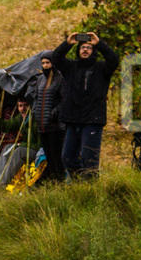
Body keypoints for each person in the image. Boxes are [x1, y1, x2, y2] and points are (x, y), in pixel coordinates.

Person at [50, 31, 119, 179]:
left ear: (93, 51)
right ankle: (79, 184)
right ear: (78, 50)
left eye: (89, 47)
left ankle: (90, 186)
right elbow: (56, 58)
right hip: (73, 119)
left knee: (89, 160)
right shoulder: (70, 67)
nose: (85, 50)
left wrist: (99, 43)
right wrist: (67, 43)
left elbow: (114, 60)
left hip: (93, 119)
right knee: (67, 157)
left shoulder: (102, 68)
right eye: (82, 47)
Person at [28, 51, 65, 182]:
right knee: (48, 156)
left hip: (56, 126)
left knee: (57, 156)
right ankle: (52, 182)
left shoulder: (60, 79)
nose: (45, 65)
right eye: (43, 63)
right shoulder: (40, 80)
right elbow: (36, 98)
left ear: (53, 63)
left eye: (47, 62)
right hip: (42, 125)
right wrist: (35, 112)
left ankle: (60, 181)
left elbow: (65, 100)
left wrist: (55, 112)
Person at [0, 98, 39, 186]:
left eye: (25, 105)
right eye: (20, 106)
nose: (23, 108)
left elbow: (40, 144)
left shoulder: (36, 119)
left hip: (36, 151)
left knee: (18, 151)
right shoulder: (20, 118)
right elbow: (6, 126)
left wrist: (21, 145)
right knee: (7, 147)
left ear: (31, 106)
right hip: (26, 147)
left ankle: (3, 183)